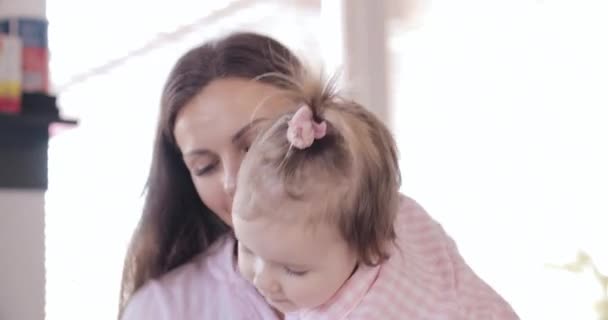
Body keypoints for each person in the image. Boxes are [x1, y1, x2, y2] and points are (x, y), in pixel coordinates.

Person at [231, 71, 520, 319]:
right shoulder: (398, 215)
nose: (263, 280)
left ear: (369, 247)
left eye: (294, 270)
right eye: (247, 249)